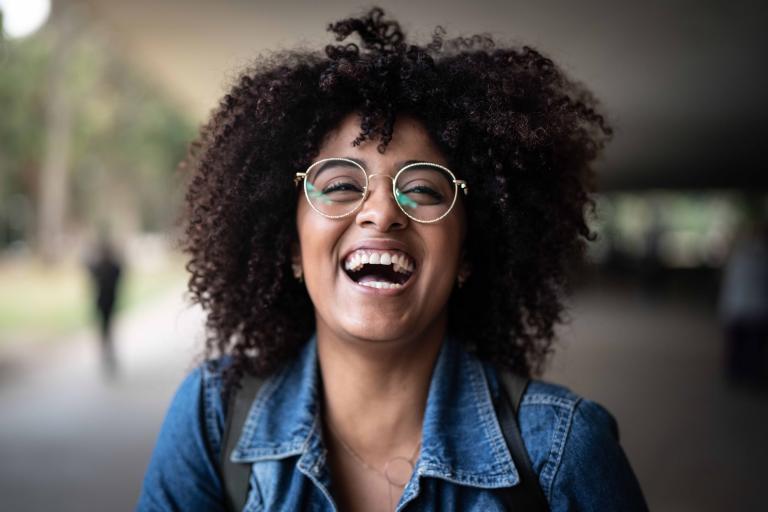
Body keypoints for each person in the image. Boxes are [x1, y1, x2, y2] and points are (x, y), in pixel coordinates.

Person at [138, 7, 648, 511]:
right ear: (293, 247)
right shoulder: (210, 419)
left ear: (467, 254)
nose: (381, 213)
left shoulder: (563, 453)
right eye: (339, 184)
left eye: (423, 190)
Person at [86, 235, 122, 376]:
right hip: (104, 302)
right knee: (105, 330)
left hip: (108, 302)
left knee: (107, 330)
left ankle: (108, 353)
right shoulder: (107, 267)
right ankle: (106, 353)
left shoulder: (107, 267)